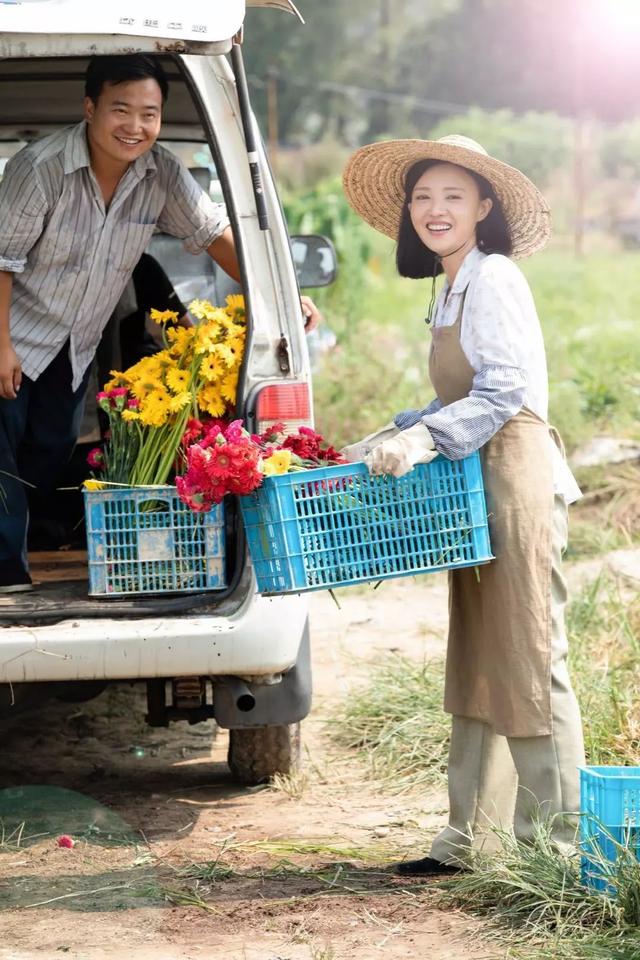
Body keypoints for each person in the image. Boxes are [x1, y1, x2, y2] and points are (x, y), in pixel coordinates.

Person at [341, 135, 585, 874]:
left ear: (484, 207)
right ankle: (466, 841)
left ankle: (560, 855)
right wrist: (393, 432)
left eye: (453, 196)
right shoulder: (450, 285)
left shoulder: (497, 277)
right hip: (476, 486)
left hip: (517, 483)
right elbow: (458, 392)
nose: (435, 210)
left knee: (531, 656)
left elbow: (504, 390)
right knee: (479, 656)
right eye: (422, 197)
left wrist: (422, 444)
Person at [0, 54, 320, 593]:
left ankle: (20, 542)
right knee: (3, 461)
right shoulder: (42, 168)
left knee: (48, 454)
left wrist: (280, 299)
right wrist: (1, 344)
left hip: (72, 348)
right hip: (12, 334)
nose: (135, 126)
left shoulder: (162, 174)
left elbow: (216, 235)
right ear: (89, 108)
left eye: (148, 114)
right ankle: (8, 573)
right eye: (120, 109)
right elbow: (2, 259)